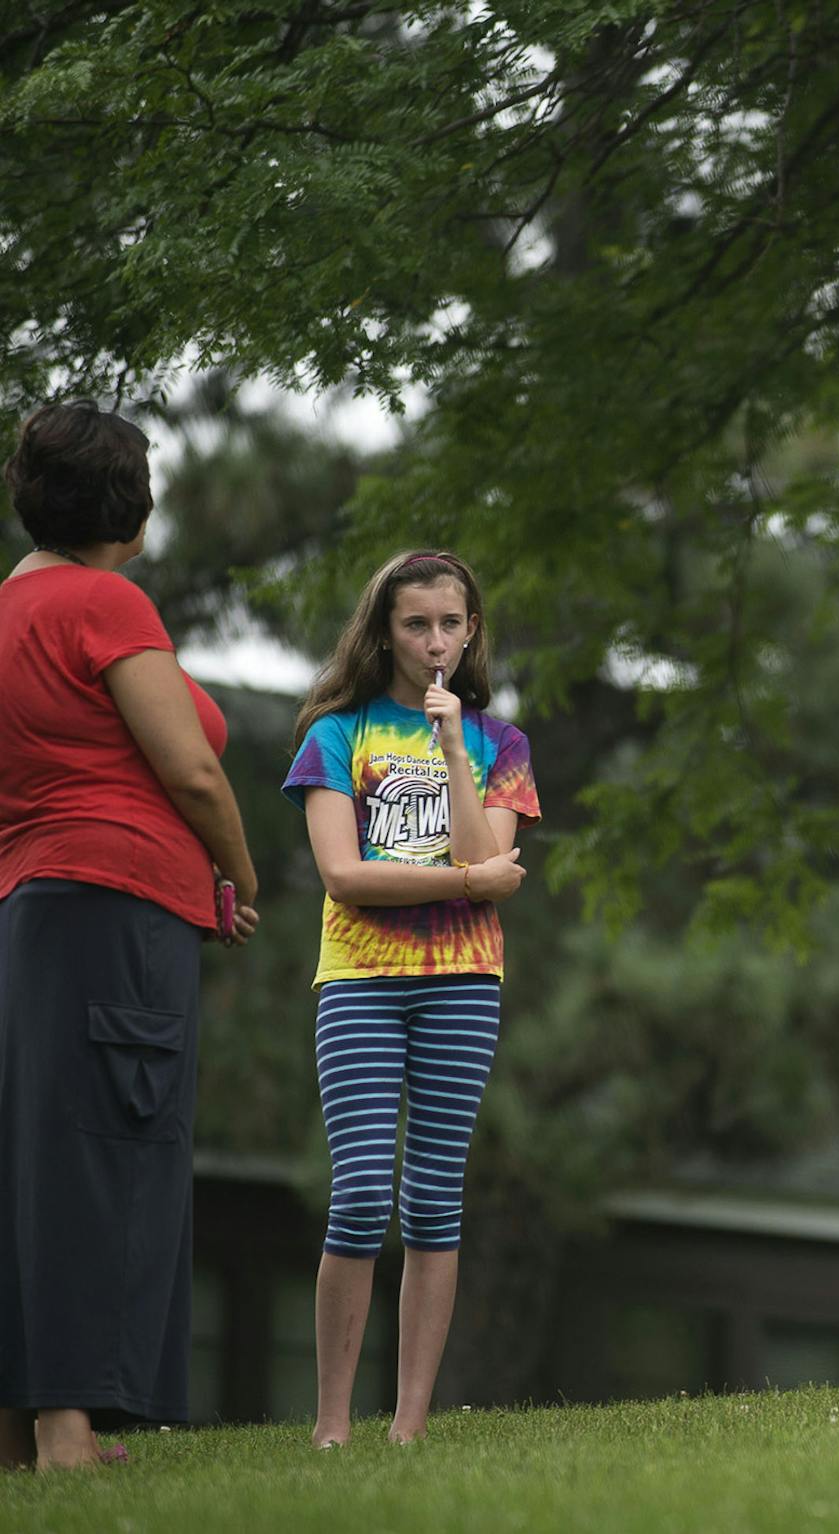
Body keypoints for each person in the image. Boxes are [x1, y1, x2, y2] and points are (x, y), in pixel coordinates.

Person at [0, 402, 262, 1471]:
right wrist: (236, 876)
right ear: (134, 507)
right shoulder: (103, 602)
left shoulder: (8, 609)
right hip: (115, 905)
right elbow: (191, 767)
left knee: (34, 1154)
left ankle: (21, 1435)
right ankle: (71, 1429)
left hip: (30, 907)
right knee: (107, 1146)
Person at [282, 550, 538, 1445]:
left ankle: (410, 1426)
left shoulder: (499, 744)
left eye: (450, 624)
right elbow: (346, 878)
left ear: (471, 633)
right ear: (383, 631)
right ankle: (330, 1424)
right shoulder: (335, 735)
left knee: (433, 1200)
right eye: (415, 624)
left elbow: (483, 850)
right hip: (359, 981)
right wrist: (469, 881)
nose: (434, 642)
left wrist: (451, 750)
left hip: (463, 985)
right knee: (357, 1194)